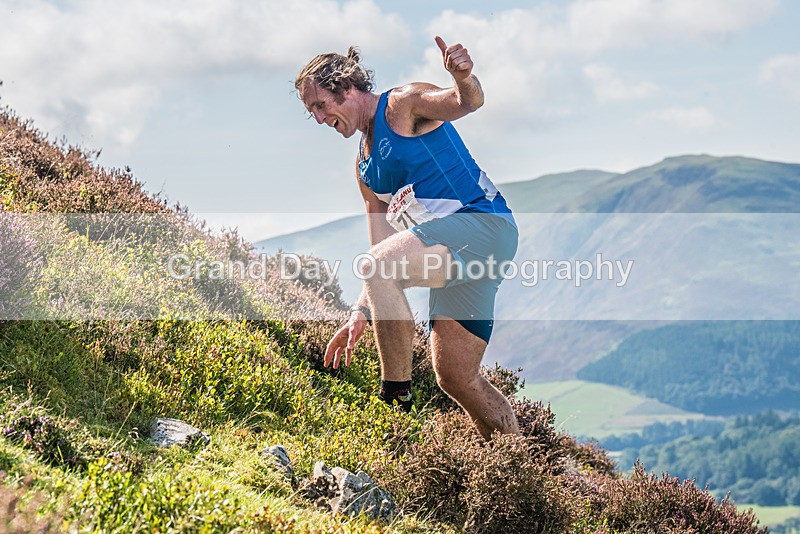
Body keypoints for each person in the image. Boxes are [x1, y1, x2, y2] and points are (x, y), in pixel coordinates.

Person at [294, 36, 519, 439]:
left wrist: (463, 77)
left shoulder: (402, 104)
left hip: (483, 227)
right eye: (310, 111)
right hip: (455, 252)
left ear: (345, 88)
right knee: (455, 377)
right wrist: (359, 314)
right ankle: (519, 473)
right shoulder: (366, 170)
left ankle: (394, 405)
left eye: (319, 105)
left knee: (378, 267)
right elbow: (379, 249)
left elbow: (467, 102)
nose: (317, 118)